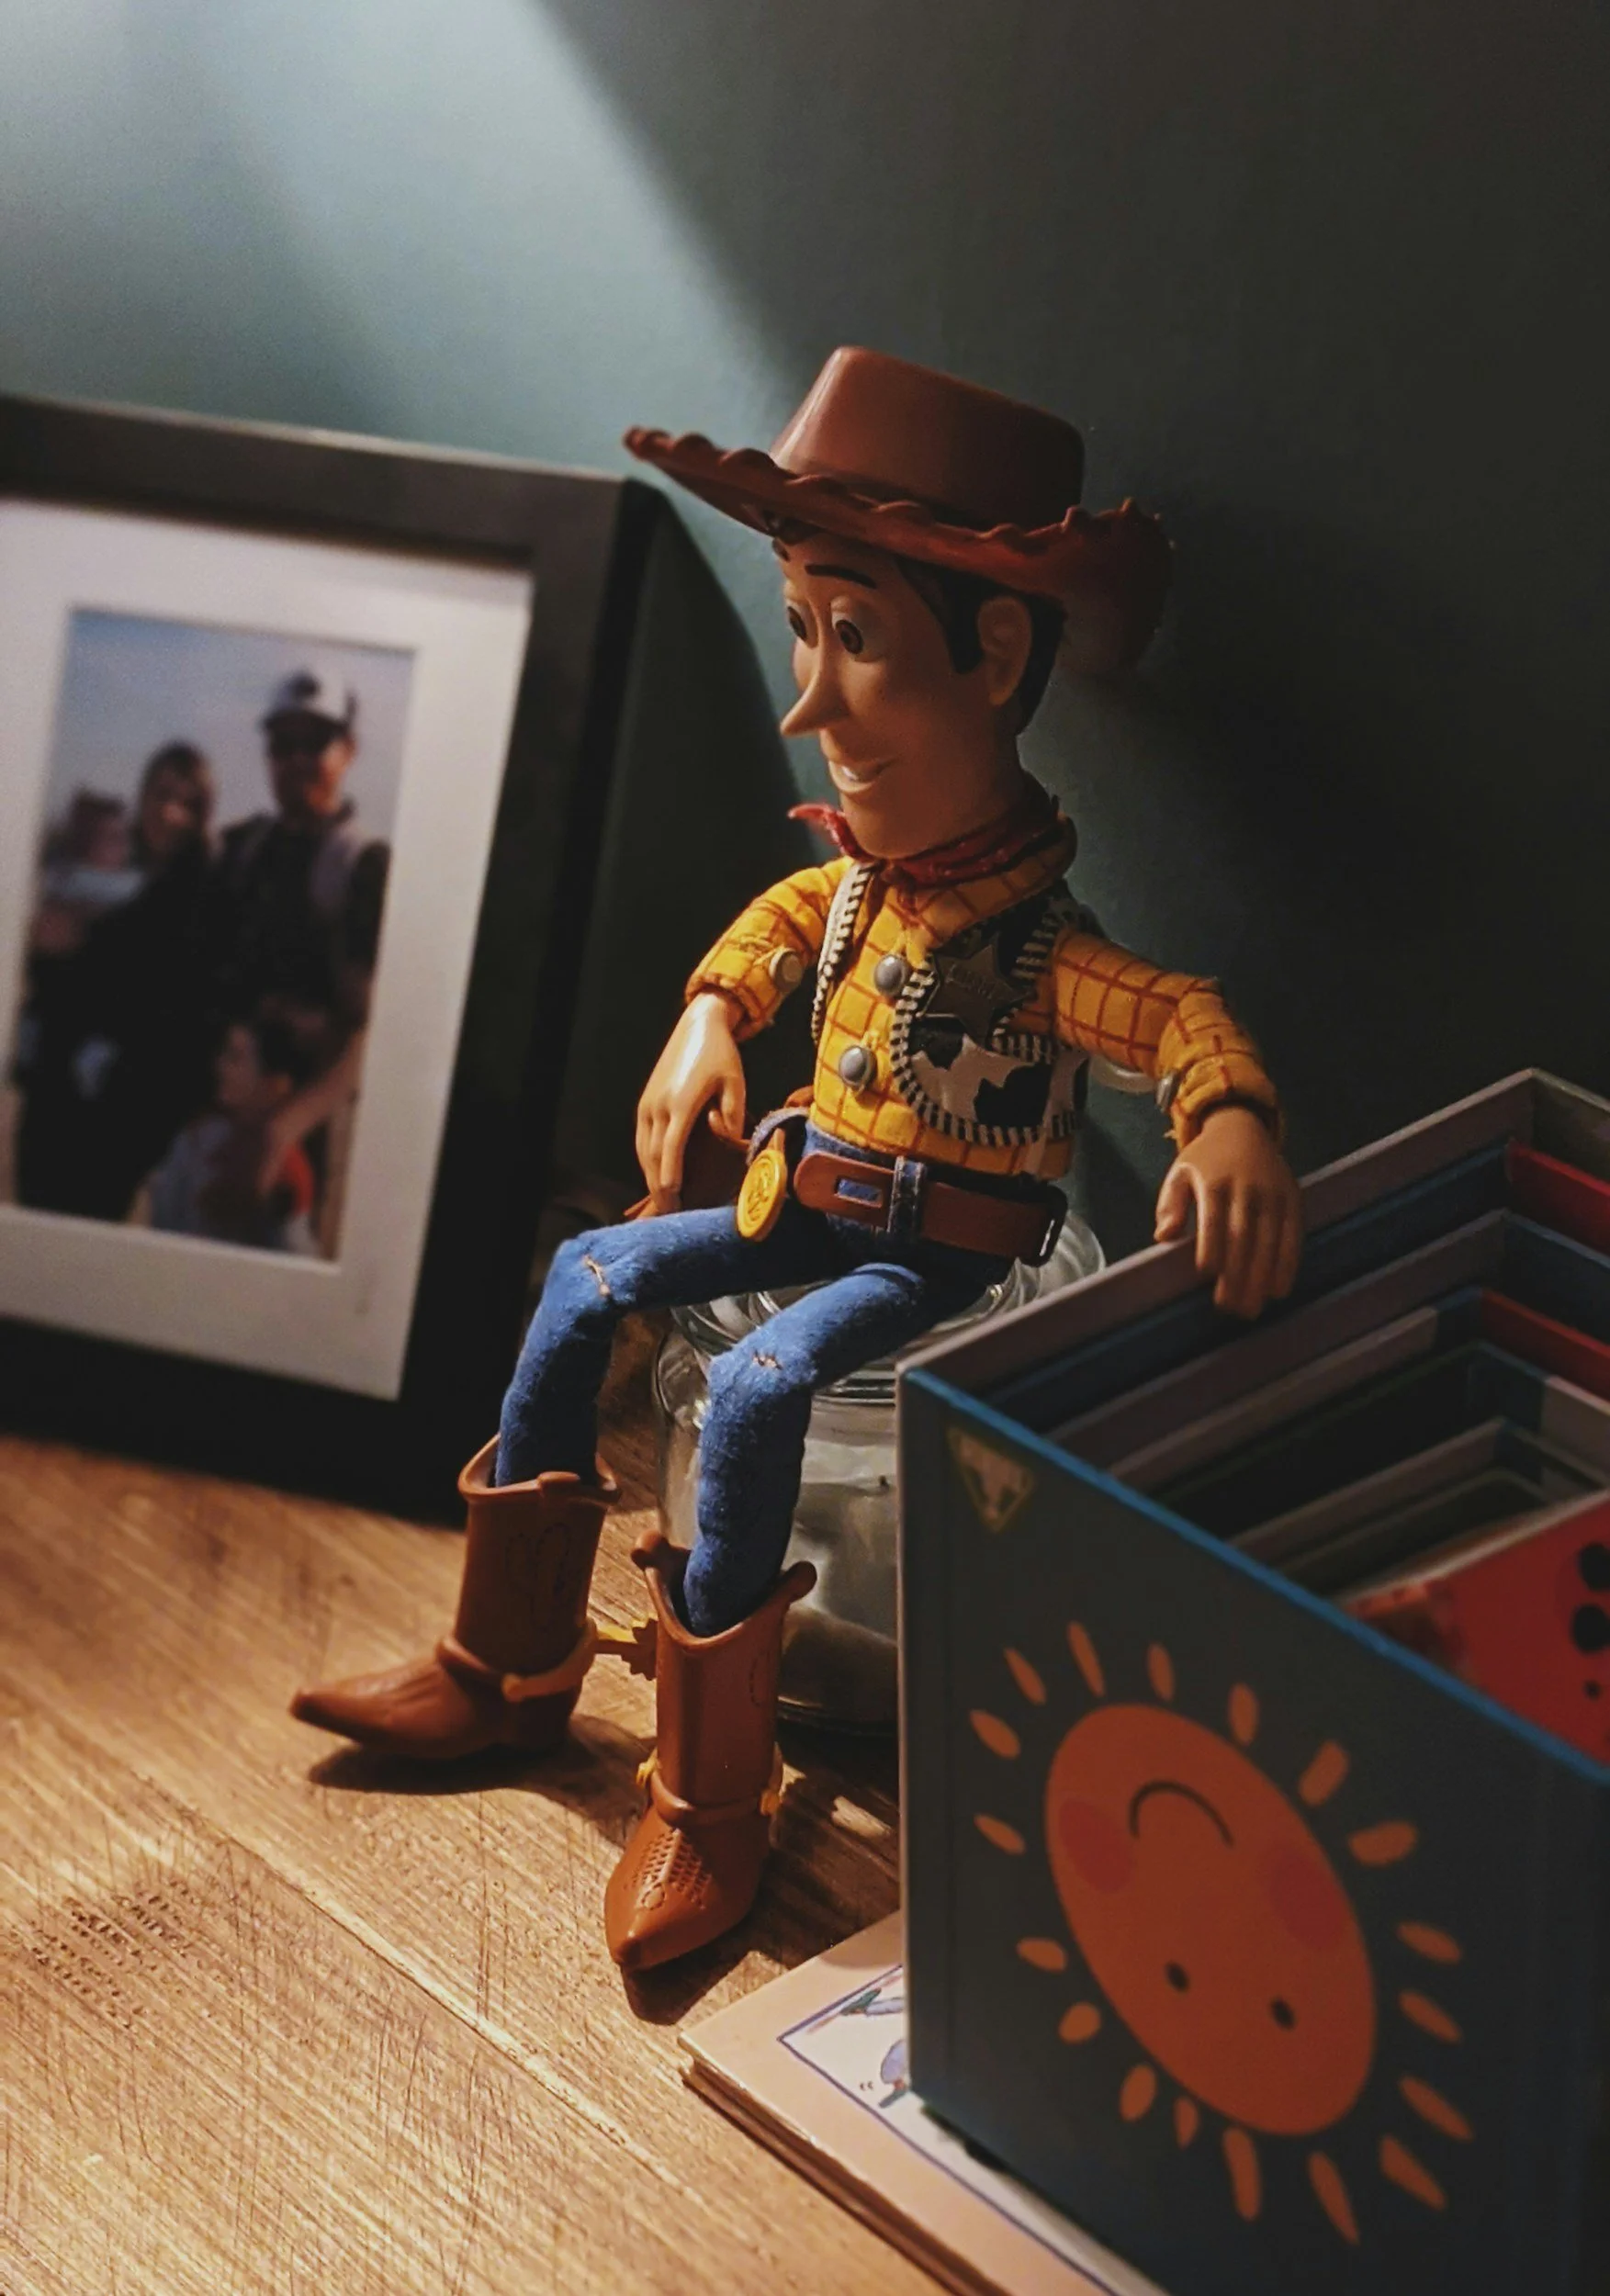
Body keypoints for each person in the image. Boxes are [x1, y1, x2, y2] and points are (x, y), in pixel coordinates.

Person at [293, 349, 1303, 1975]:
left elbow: (1176, 1017)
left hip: (930, 1256)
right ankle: (507, 1664)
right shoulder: (849, 891)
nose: (807, 700)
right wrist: (705, 1018)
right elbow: (771, 931)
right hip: (801, 1199)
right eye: (799, 631)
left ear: (989, 655)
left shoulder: (1037, 947)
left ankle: (707, 1794)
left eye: (855, 640)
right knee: (586, 1271)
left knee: (762, 1390)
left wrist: (1231, 1116)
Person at [206, 670, 389, 1244]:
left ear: (348, 751)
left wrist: (278, 1134)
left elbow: (365, 1036)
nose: (297, 760)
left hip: (294, 1149)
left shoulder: (361, 866)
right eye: (284, 745)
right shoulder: (241, 850)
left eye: (316, 743)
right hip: (212, 1125)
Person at [13, 744, 216, 1220]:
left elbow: (170, 1008)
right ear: (142, 794)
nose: (169, 812)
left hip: (114, 1118)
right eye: (162, 793)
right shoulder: (116, 864)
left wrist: (78, 940)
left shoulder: (198, 893)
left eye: (188, 802)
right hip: (53, 1095)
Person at [144, 1010, 319, 1253]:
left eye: (235, 1058)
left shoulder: (287, 1167)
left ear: (273, 1081)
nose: (221, 1066)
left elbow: (296, 1256)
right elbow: (162, 1222)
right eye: (224, 1054)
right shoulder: (198, 1137)